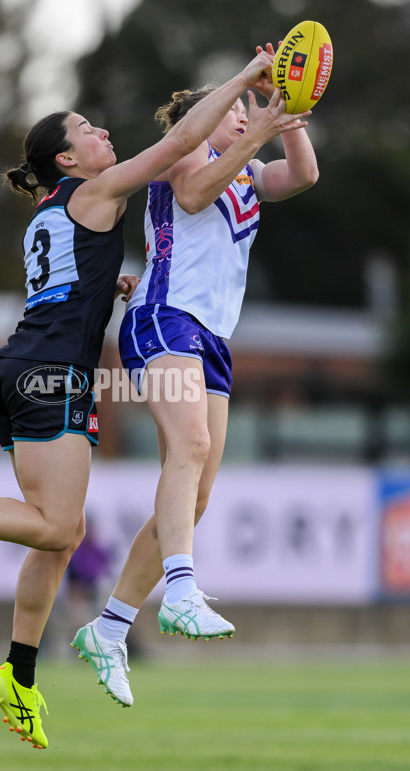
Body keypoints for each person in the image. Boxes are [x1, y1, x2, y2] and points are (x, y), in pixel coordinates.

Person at [0, 45, 302, 749]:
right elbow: (180, 145)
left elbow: (68, 281)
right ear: (67, 159)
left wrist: (108, 288)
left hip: (29, 364)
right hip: (52, 371)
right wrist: (246, 81)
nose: (101, 133)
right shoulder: (96, 190)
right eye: (86, 129)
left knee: (58, 532)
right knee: (59, 528)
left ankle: (19, 672)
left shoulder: (55, 211)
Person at [71, 43, 319, 707]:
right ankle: (181, 588)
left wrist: (290, 114)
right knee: (192, 449)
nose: (241, 118)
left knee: (196, 494)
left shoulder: (249, 170)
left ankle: (110, 626)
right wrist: (254, 124)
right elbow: (195, 192)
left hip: (212, 337)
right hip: (163, 317)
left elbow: (302, 177)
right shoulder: (188, 156)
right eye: (232, 109)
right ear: (202, 118)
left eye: (244, 111)